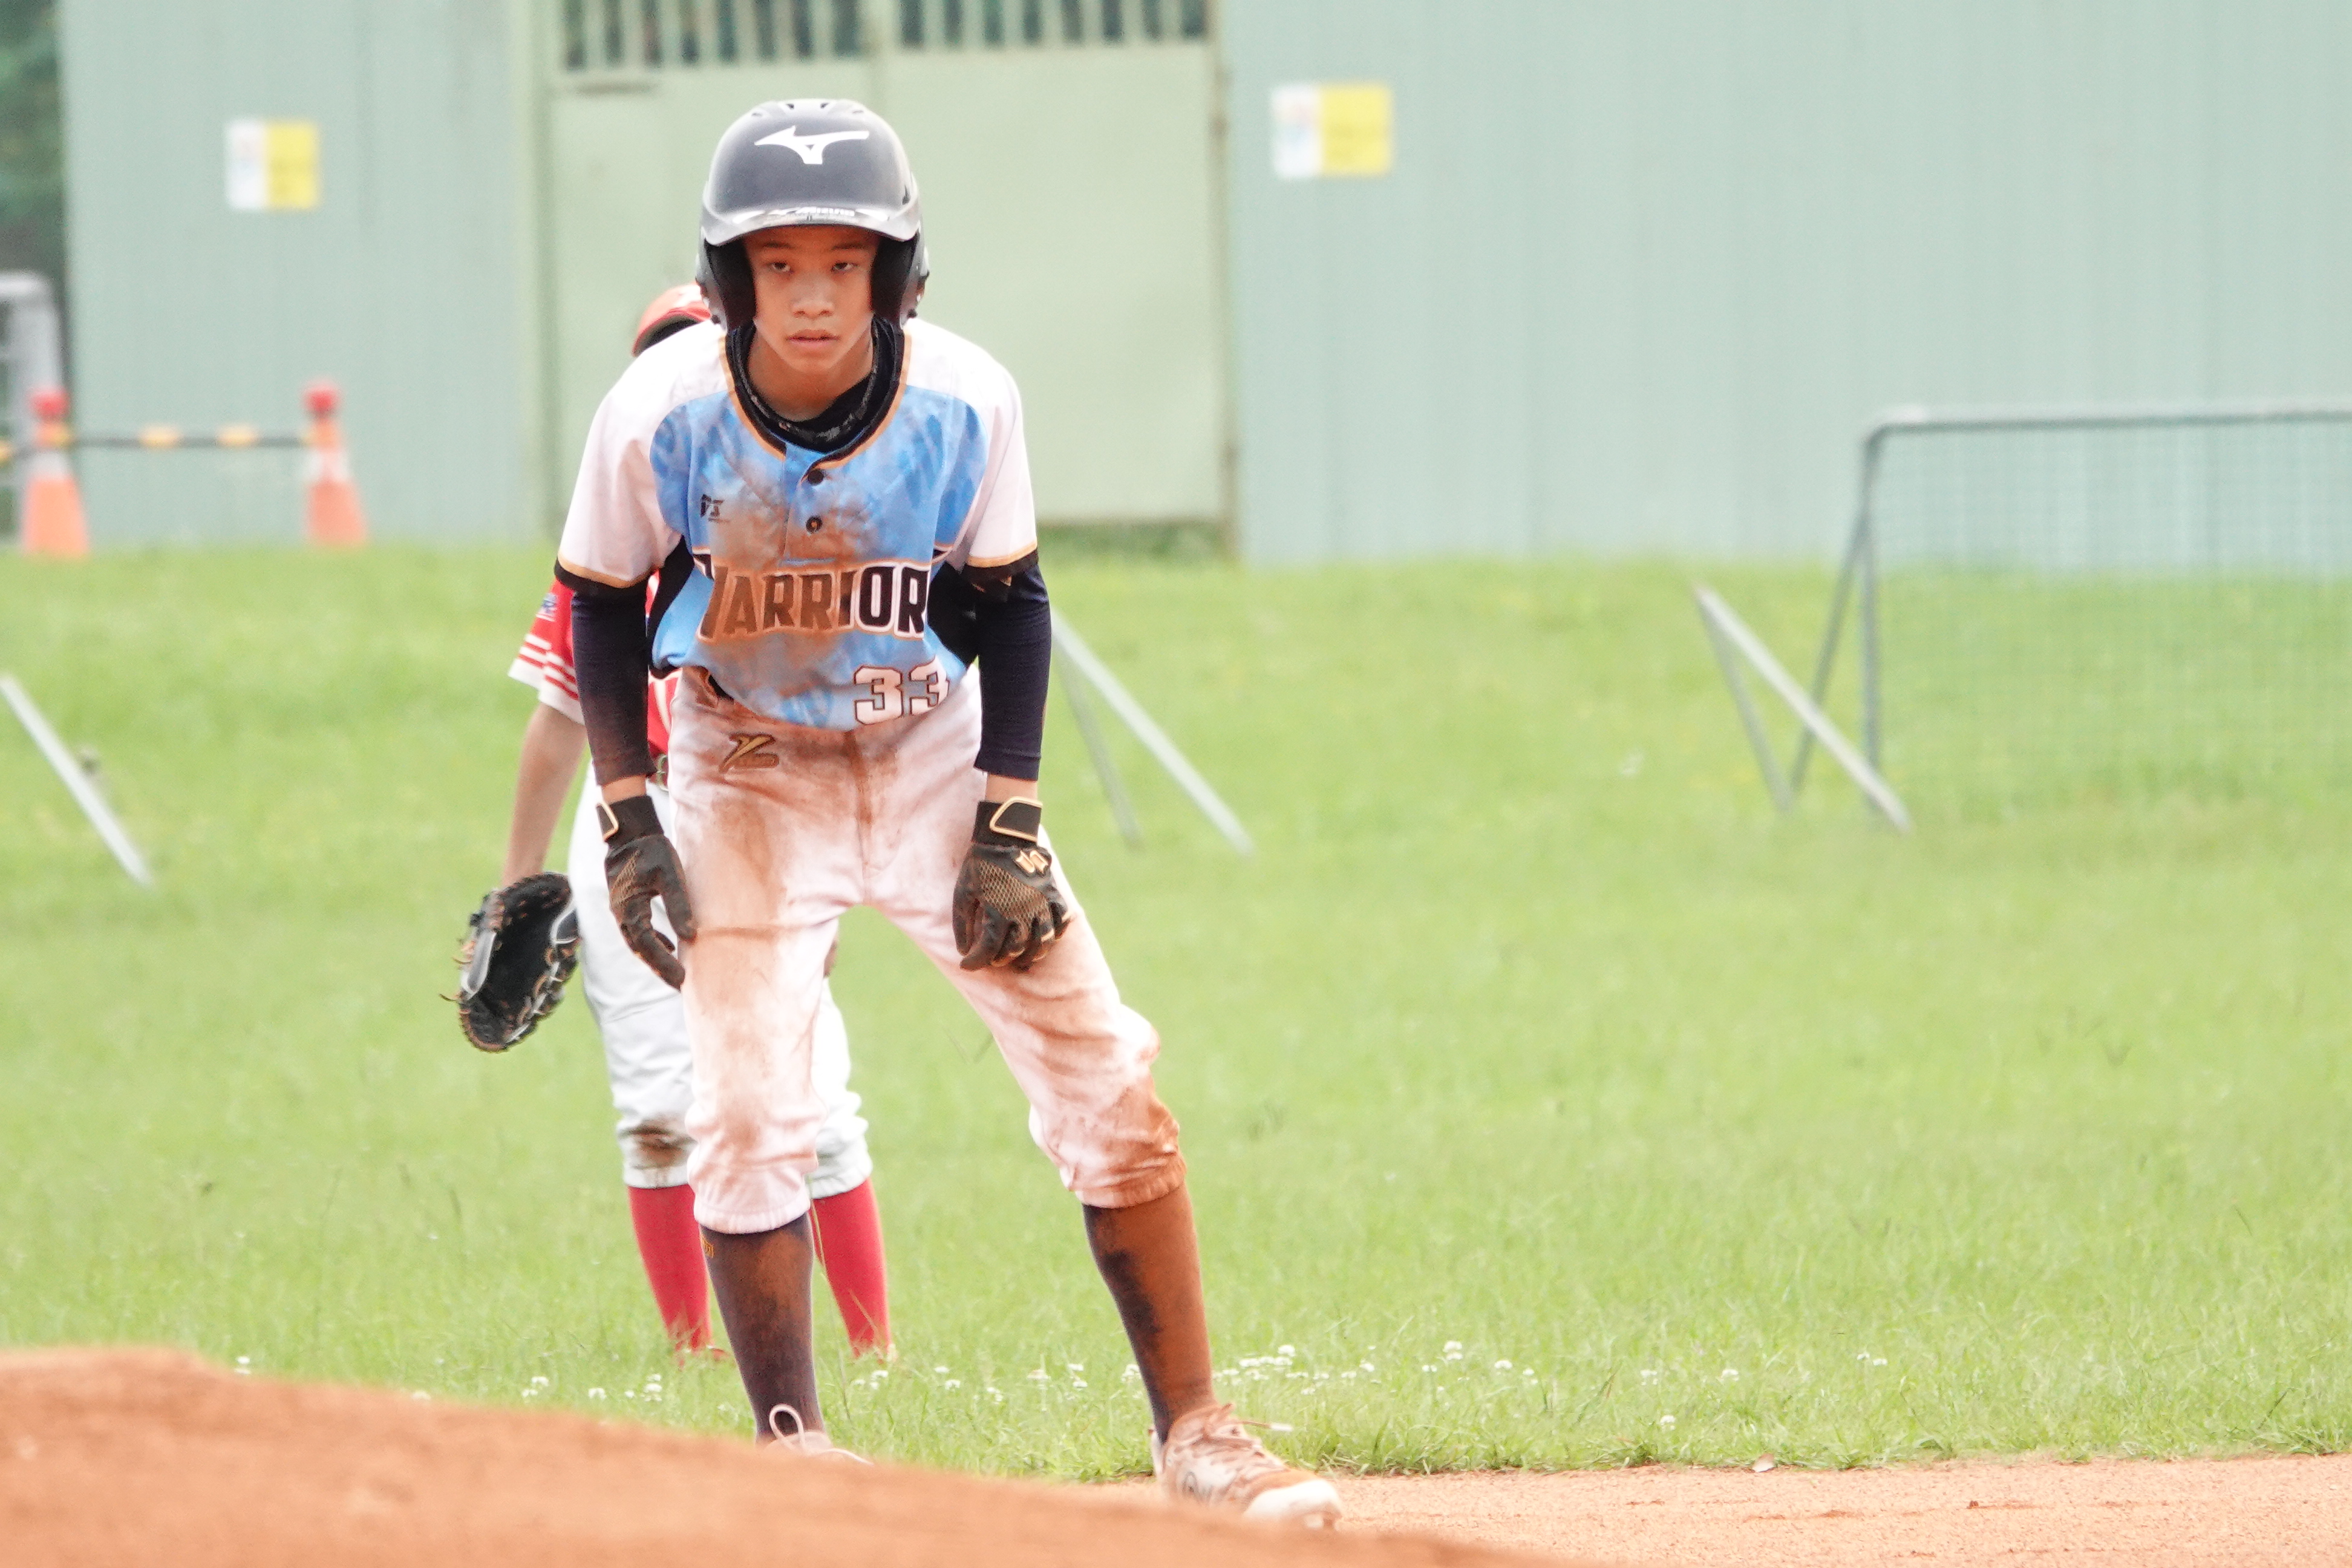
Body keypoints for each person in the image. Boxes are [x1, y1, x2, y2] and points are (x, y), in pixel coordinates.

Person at [551, 99, 1342, 1523]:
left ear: (897, 274)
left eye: (842, 263)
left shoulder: (966, 399)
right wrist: (628, 814)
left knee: (1102, 1068)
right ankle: (792, 1449)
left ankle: (1199, 1435)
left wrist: (1009, 818)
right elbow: (600, 605)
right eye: (777, 263)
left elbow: (1013, 601)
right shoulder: (660, 412)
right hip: (745, 766)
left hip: (927, 751)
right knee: (744, 1108)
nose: (811, 295)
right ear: (729, 279)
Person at [498, 279, 890, 1358]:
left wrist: (831, 875)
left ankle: (876, 1354)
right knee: (659, 1110)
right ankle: (689, 1355)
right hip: (630, 814)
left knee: (814, 1106)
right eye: (658, 357)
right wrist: (520, 878)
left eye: (695, 351)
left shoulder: (799, 534)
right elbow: (558, 723)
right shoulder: (603, 542)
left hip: (765, 815)